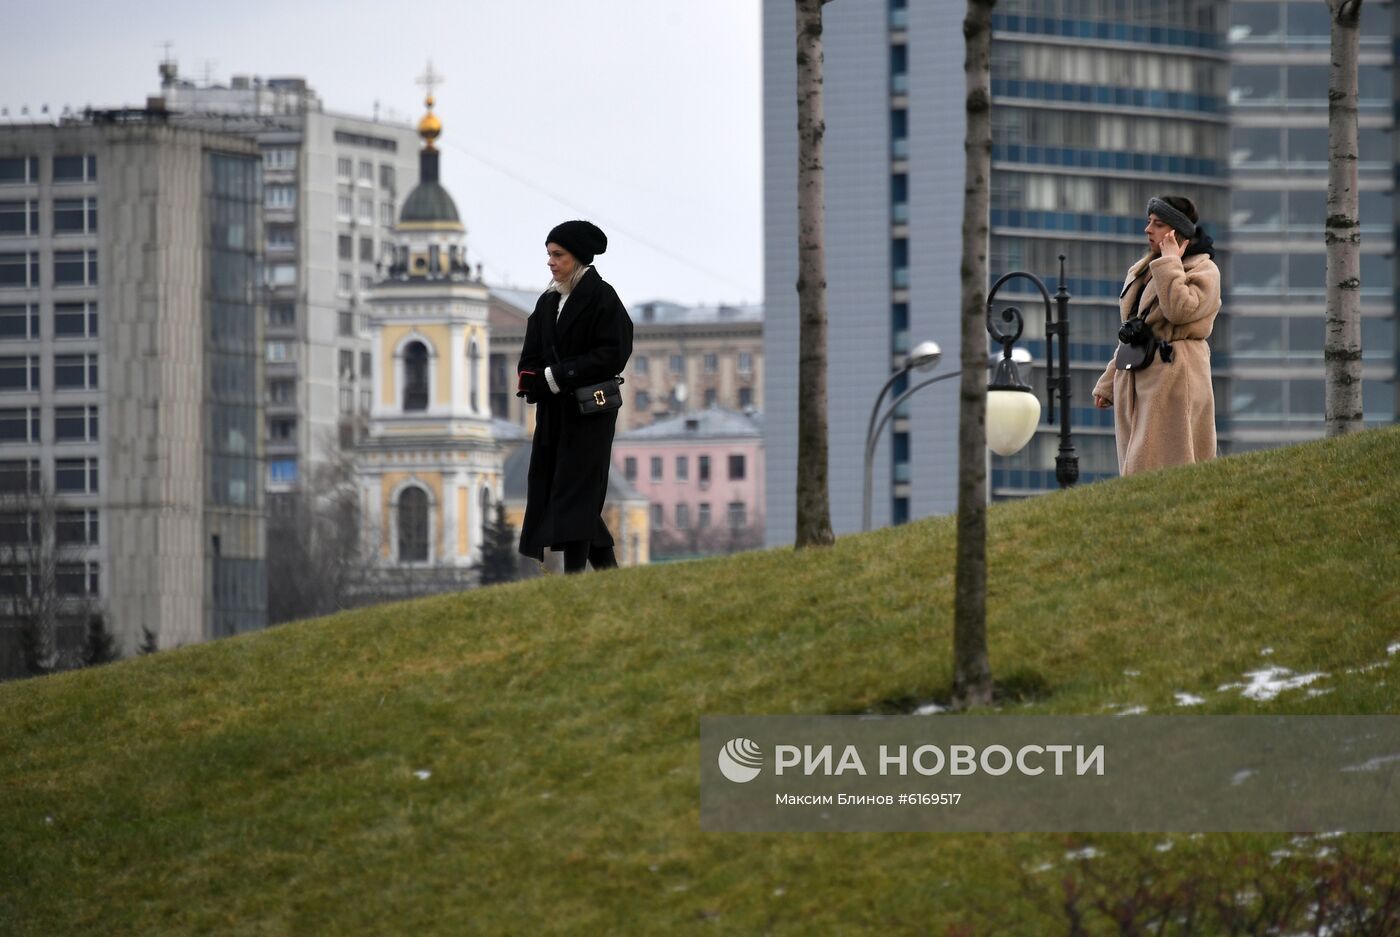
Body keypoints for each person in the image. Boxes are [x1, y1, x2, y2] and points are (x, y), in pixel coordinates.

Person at [516, 220, 634, 573]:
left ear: (578, 258)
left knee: (577, 492)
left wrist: (556, 375)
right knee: (556, 489)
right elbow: (529, 357)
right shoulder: (548, 301)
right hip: (554, 417)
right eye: (549, 255)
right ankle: (608, 572)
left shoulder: (602, 298)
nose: (551, 262)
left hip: (590, 413)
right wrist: (534, 380)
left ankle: (575, 577)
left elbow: (613, 352)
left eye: (558, 255)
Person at [1093, 196, 1221, 476]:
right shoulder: (1145, 269)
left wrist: (1171, 263)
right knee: (1140, 465)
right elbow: (1135, 327)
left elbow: (1180, 311)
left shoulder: (1203, 269)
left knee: (1160, 464)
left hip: (1175, 375)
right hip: (1139, 375)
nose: (1148, 229)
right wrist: (1108, 383)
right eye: (1149, 222)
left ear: (1176, 232)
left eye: (1158, 224)